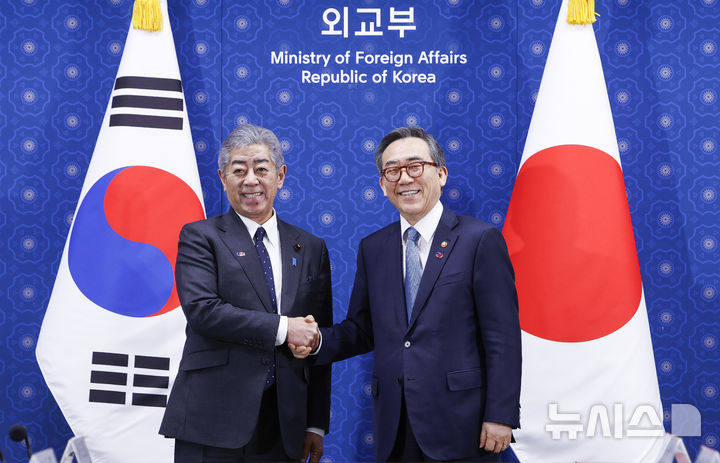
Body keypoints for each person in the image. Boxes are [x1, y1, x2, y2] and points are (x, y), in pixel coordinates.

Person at [291, 126, 521, 462]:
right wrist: (316, 341)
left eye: (415, 166)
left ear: (440, 174)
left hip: (463, 424)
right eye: (393, 171)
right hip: (394, 425)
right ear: (383, 185)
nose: (405, 178)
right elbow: (362, 329)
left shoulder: (479, 240)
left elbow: (502, 337)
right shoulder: (373, 247)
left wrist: (501, 414)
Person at [160, 124, 332, 463]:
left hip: (284, 423)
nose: (250, 180)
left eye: (261, 169)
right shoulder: (200, 237)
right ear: (223, 179)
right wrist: (284, 328)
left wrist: (315, 423)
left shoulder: (311, 247)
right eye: (239, 170)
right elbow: (203, 311)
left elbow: (317, 336)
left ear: (280, 176)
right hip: (213, 418)